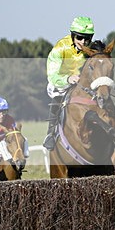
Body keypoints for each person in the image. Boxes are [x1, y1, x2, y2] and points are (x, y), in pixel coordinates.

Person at [43, 16, 96, 150]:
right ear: (72, 35)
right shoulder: (60, 48)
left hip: (83, 84)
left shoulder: (91, 49)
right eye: (79, 37)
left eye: (87, 38)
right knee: (58, 92)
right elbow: (52, 76)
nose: (83, 42)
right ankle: (51, 132)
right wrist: (67, 79)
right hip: (60, 83)